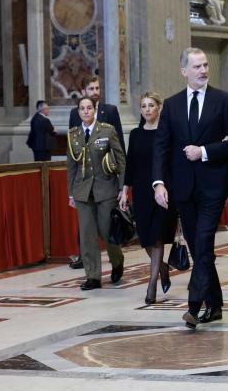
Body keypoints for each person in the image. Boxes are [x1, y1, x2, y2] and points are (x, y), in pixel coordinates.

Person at [152, 47, 228, 330]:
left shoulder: (223, 100)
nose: (203, 70)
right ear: (184, 71)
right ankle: (215, 305)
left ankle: (194, 305)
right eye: (197, 67)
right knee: (198, 248)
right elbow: (161, 147)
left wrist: (203, 151)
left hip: (213, 187)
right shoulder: (171, 105)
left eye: (205, 65)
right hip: (183, 189)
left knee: (203, 243)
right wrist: (158, 183)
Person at [119, 92, 177, 305]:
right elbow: (130, 164)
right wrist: (125, 190)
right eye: (143, 106)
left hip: (163, 189)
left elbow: (173, 162)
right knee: (145, 237)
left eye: (151, 105)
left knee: (157, 236)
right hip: (141, 190)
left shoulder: (167, 132)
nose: (147, 109)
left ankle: (151, 285)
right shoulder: (136, 134)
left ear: (159, 107)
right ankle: (162, 267)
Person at [66, 96, 126, 291]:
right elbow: (71, 166)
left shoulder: (107, 130)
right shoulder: (73, 135)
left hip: (105, 188)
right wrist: (71, 193)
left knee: (107, 231)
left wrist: (122, 188)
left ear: (94, 110)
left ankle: (117, 261)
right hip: (82, 191)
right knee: (87, 235)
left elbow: (120, 160)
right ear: (78, 112)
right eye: (82, 108)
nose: (86, 111)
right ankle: (93, 276)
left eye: (89, 108)